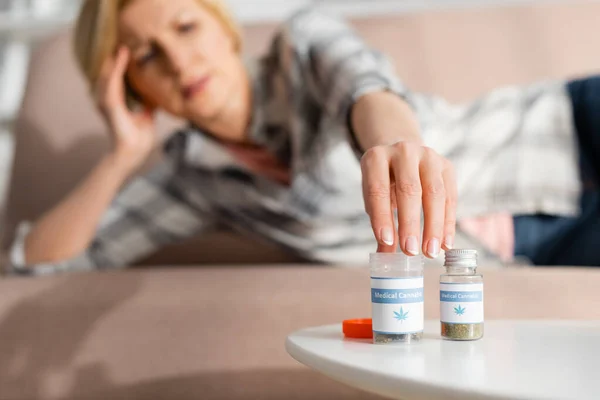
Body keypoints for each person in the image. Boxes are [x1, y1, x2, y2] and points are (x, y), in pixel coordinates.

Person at [5, 0, 597, 275]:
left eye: (186, 27)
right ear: (132, 86)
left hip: (564, 126)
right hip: (535, 249)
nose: (180, 60)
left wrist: (391, 145)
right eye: (147, 57)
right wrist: (121, 156)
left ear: (223, 28)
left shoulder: (301, 44)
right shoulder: (193, 182)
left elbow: (366, 90)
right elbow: (38, 263)